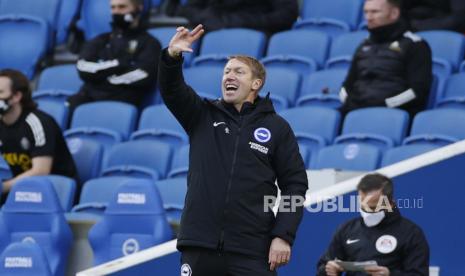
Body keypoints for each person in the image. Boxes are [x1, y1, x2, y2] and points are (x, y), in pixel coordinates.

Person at [159, 24, 308, 275]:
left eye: (239, 72)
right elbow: (171, 91)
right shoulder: (201, 115)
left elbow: (295, 185)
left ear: (256, 84)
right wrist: (172, 56)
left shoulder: (277, 128)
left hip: (252, 250)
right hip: (199, 245)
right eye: (226, 72)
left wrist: (283, 235)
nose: (229, 76)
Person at [317, 173, 429, 276]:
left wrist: (390, 274)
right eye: (363, 205)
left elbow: (420, 274)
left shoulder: (411, 233)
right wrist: (328, 270)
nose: (367, 211)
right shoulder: (347, 229)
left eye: (373, 207)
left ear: (390, 203)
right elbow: (323, 266)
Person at [340, 0, 432, 117]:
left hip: (393, 114)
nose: (368, 17)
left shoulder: (415, 45)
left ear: (394, 13)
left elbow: (417, 91)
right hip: (357, 110)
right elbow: (347, 85)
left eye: (374, 12)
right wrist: (351, 103)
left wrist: (384, 104)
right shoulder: (364, 45)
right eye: (366, 12)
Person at [67, 0, 161, 113]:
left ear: (139, 8)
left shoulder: (150, 43)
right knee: (69, 105)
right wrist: (121, 64)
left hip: (121, 103)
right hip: (88, 98)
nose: (116, 12)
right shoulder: (101, 40)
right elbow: (82, 67)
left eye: (122, 7)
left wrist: (100, 78)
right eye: (113, 7)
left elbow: (143, 74)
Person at [0, 69, 77, 197]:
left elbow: (41, 170)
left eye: (1, 92)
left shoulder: (38, 123)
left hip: (53, 190)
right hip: (18, 188)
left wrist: (4, 187)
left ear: (16, 96)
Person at [175, 0, 299, 35]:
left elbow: (287, 15)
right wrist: (207, 18)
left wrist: (241, 22)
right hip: (213, 32)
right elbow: (189, 8)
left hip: (254, 35)